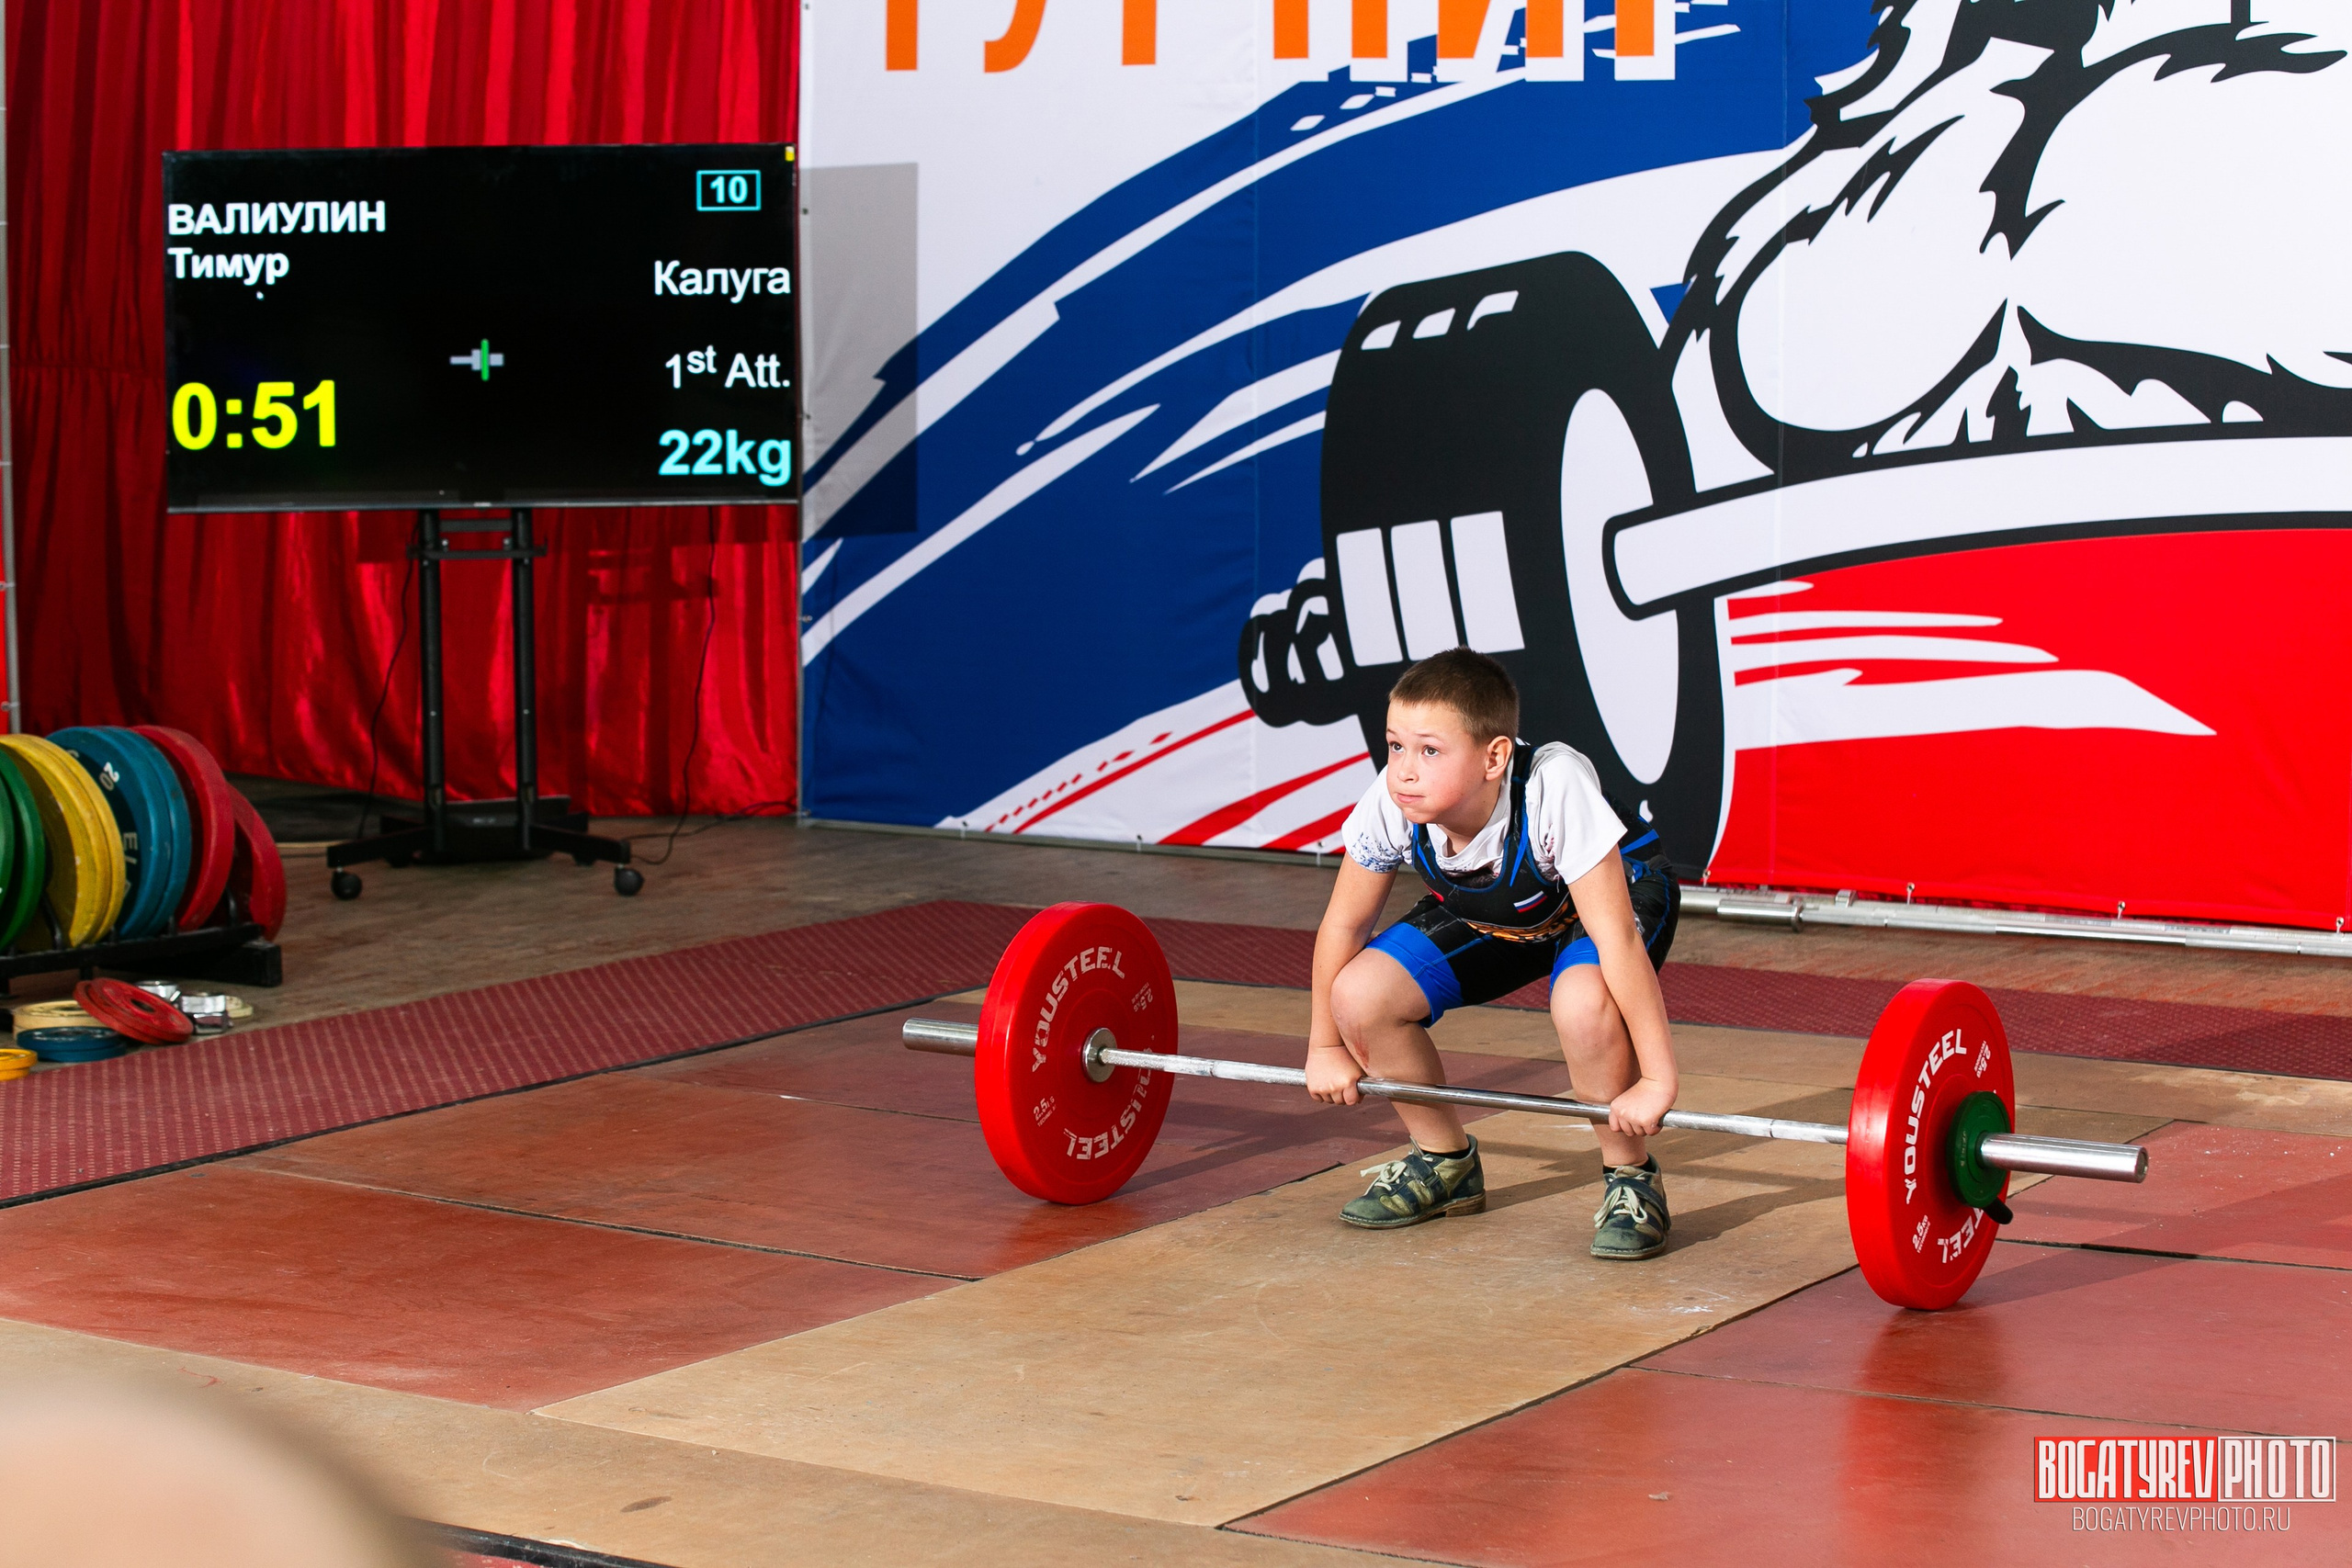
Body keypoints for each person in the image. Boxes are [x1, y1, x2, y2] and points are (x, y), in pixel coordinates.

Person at [1306, 648, 1682, 1258]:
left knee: (1583, 1004)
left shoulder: (1552, 784)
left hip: (1605, 901)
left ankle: (1630, 1178)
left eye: (1428, 750)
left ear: (1494, 757)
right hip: (1503, 914)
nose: (1403, 769)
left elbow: (1614, 939)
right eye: (1395, 745)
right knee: (1358, 994)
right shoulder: (1393, 800)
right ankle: (1444, 1164)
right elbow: (1345, 926)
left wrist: (1657, 1079)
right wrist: (1324, 1043)